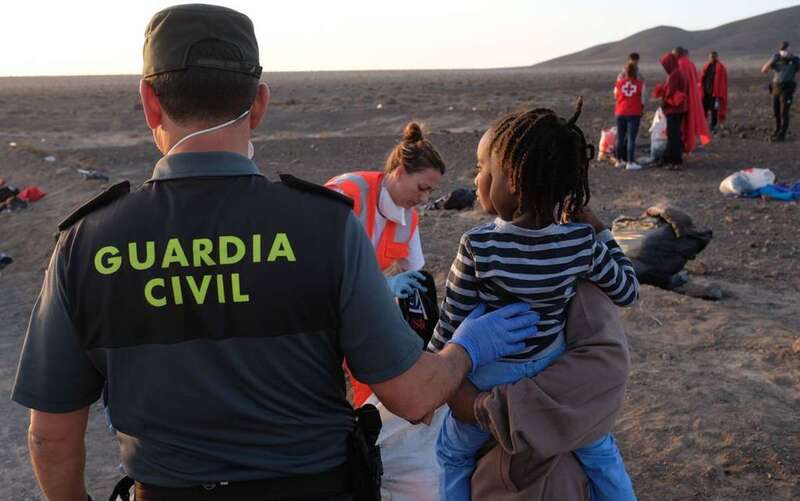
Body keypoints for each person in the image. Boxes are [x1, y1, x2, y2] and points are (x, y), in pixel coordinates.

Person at [10, 5, 540, 501]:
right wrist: (465, 348)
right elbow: (411, 395)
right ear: (259, 104)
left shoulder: (87, 243)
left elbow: (50, 439)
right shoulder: (324, 224)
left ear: (150, 100)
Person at [429, 101, 639, 501]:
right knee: (599, 450)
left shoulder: (478, 245)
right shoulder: (580, 243)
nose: (476, 180)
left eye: (482, 169)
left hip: (491, 374)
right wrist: (600, 231)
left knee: (453, 455)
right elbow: (627, 289)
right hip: (549, 368)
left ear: (512, 180)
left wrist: (435, 373)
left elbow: (452, 322)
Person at [453, 281, 632, 500]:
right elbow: (627, 289)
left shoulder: (486, 256)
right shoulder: (581, 259)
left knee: (452, 454)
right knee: (602, 456)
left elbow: (451, 317)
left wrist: (479, 404)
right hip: (553, 417)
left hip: (514, 413)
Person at [325, 122, 445, 407]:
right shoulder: (346, 193)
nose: (425, 198)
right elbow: (320, 264)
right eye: (422, 188)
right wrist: (384, 286)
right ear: (400, 172)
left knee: (374, 379)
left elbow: (415, 275)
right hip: (321, 308)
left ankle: (371, 431)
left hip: (358, 309)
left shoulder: (409, 219)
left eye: (430, 192)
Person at [673, 46, 712, 153]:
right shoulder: (690, 63)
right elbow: (697, 79)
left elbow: (679, 82)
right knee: (688, 122)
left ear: (677, 54)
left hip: (683, 99)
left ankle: (683, 145)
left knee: (683, 124)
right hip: (691, 97)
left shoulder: (679, 64)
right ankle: (687, 144)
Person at [655, 53, 689, 168]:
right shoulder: (680, 72)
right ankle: (671, 158)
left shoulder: (674, 74)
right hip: (680, 109)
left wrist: (663, 103)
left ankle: (673, 160)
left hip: (673, 109)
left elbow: (670, 91)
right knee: (675, 135)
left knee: (673, 135)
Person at [761, 41, 800, 142]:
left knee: (784, 112)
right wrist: (773, 59)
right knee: (776, 111)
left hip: (787, 89)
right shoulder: (777, 59)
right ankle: (777, 130)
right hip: (776, 88)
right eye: (783, 50)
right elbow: (764, 70)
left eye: (787, 49)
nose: (785, 52)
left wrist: (793, 60)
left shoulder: (795, 60)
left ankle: (782, 134)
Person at [614, 62, 646, 170]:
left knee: (620, 137)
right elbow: (643, 100)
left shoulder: (619, 83)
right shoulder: (640, 84)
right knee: (631, 139)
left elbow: (615, 95)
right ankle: (630, 162)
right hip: (634, 114)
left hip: (620, 113)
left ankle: (618, 161)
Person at [701, 51, 728, 132]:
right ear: (709, 57)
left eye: (714, 56)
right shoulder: (706, 66)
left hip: (715, 94)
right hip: (705, 92)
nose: (712, 58)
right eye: (711, 57)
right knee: (704, 110)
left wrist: (720, 93)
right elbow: (701, 78)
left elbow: (723, 82)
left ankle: (713, 126)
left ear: (717, 57)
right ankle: (703, 126)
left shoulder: (720, 67)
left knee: (714, 110)